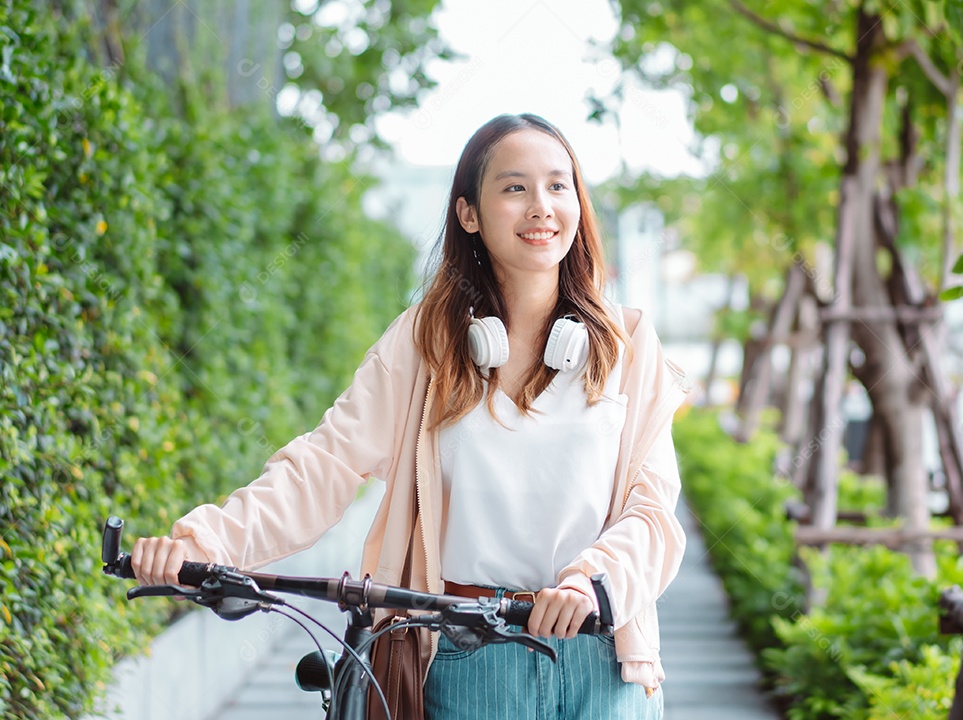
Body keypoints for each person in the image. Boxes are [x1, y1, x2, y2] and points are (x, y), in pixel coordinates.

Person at [131, 112, 689, 718]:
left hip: (601, 664)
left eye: (559, 185)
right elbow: (323, 464)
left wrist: (591, 582)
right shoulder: (424, 345)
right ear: (468, 214)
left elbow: (653, 512)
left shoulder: (627, 346)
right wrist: (201, 542)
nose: (541, 206)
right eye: (514, 187)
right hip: (468, 660)